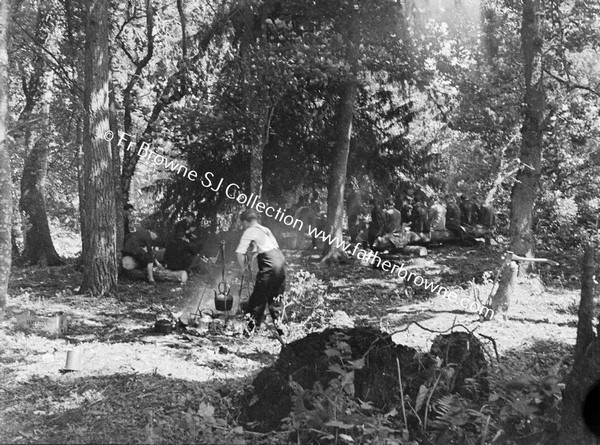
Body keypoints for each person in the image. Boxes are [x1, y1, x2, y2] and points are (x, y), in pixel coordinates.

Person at [235, 209, 286, 335]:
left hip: (269, 265)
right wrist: (253, 256)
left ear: (246, 222)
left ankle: (250, 331)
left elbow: (239, 253)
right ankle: (283, 331)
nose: (243, 227)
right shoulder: (265, 229)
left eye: (242, 224)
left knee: (258, 299)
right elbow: (269, 248)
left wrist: (243, 269)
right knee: (276, 299)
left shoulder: (249, 231)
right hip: (281, 263)